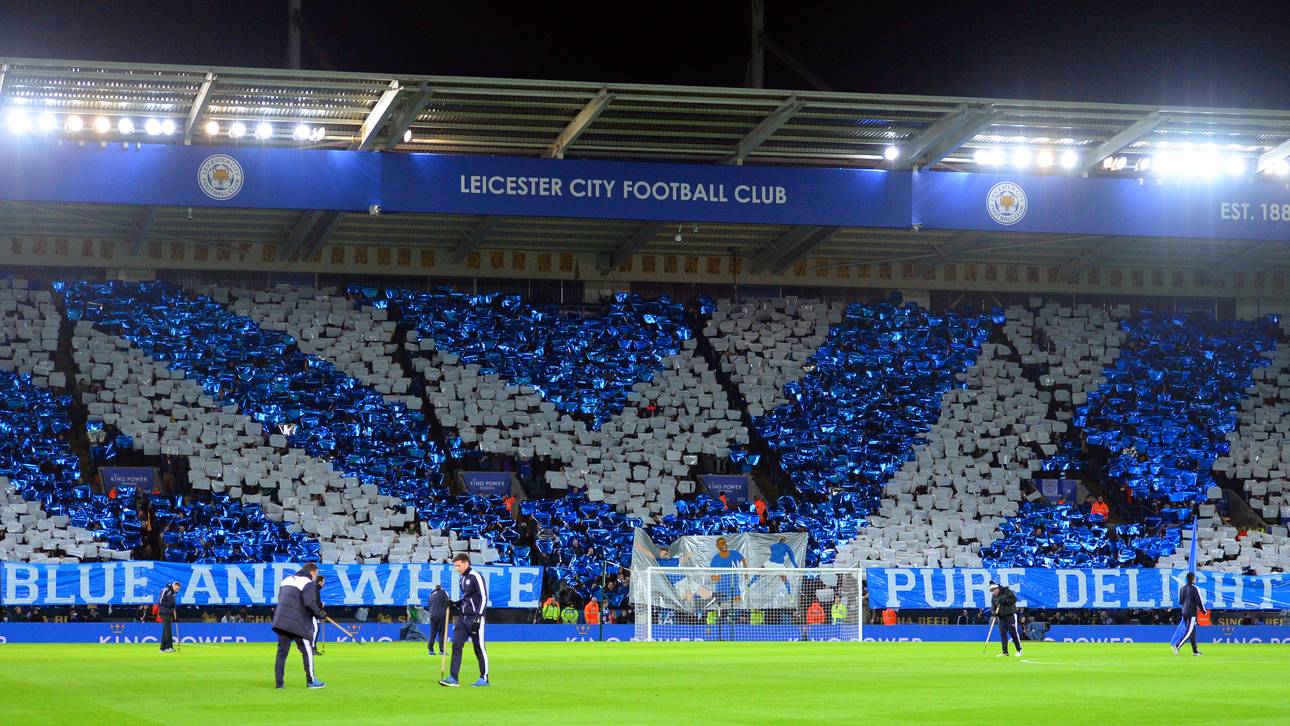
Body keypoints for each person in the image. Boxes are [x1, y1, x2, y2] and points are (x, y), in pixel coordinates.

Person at [271, 562, 326, 689]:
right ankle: (311, 681)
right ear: (312, 572)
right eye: (315, 574)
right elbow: (309, 604)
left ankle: (279, 683)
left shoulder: (286, 580)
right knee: (307, 651)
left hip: (281, 620)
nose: (315, 577)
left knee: (281, 653)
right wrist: (320, 614)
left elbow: (283, 600)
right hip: (297, 622)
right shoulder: (308, 583)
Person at [440, 553, 490, 688]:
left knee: (479, 648)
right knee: (456, 645)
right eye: (455, 566)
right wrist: (456, 604)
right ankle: (453, 677)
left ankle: (484, 678)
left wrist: (479, 616)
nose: (457, 568)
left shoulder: (476, 576)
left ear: (466, 563)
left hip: (475, 617)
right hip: (463, 618)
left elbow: (484, 597)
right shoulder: (462, 579)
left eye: (458, 565)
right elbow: (467, 598)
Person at [1171, 572, 1208, 656]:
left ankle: (1195, 651)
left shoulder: (1182, 588)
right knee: (1189, 632)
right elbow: (1199, 601)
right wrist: (1204, 611)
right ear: (1193, 579)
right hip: (1192, 613)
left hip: (1184, 612)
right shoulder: (1195, 588)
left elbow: (1180, 601)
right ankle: (1177, 645)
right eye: (1195, 578)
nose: (1195, 580)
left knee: (1192, 632)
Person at [989, 581, 1023, 657]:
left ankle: (1019, 649)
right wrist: (994, 613)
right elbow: (992, 607)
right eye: (991, 591)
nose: (993, 592)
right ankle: (1005, 652)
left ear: (997, 588)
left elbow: (1013, 600)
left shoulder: (1007, 592)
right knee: (1002, 634)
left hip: (1010, 615)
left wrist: (1005, 601)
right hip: (1001, 617)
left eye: (993, 590)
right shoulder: (994, 597)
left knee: (1013, 632)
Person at [157, 581, 179, 653]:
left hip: (169, 613)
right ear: (173, 585)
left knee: (165, 630)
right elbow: (160, 601)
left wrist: (175, 617)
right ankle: (169, 647)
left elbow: (173, 606)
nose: (177, 589)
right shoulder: (166, 590)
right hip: (164, 612)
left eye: (178, 589)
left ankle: (162, 648)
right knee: (168, 629)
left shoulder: (173, 594)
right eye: (176, 587)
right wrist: (169, 605)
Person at [428, 583, 449, 656]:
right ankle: (442, 650)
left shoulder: (431, 595)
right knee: (441, 633)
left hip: (432, 615)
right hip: (441, 616)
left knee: (432, 633)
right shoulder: (443, 593)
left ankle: (430, 650)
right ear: (440, 588)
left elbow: (429, 606)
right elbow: (447, 603)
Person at [312, 574, 326, 655]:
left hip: (312, 612)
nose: (324, 583)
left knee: (314, 630)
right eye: (323, 582)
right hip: (311, 613)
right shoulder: (315, 589)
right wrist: (321, 605)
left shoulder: (315, 589)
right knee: (316, 630)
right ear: (320, 582)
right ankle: (312, 648)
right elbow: (315, 602)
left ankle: (311, 647)